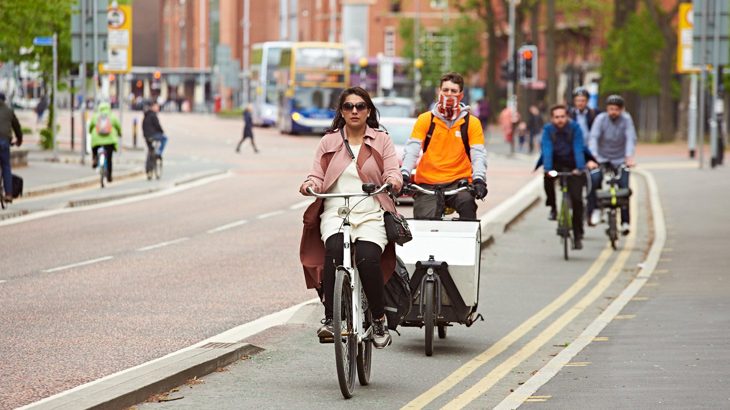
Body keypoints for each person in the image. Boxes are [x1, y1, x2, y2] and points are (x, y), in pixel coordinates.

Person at [299, 87, 403, 349]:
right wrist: (309, 184)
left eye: (359, 106)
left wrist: (392, 181)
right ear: (341, 112)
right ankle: (331, 319)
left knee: (368, 259)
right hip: (336, 210)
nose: (354, 111)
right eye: (348, 107)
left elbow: (393, 172)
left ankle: (378, 319)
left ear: (368, 111)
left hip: (370, 210)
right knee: (333, 251)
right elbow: (316, 175)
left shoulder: (381, 140)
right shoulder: (328, 141)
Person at [400, 72, 488, 220]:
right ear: (438, 91)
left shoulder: (471, 123)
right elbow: (412, 150)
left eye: (453, 91)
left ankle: (467, 242)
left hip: (459, 183)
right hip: (427, 183)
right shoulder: (425, 120)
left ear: (460, 95)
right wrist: (404, 174)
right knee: (423, 223)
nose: (449, 94)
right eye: (445, 90)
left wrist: (479, 179)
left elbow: (478, 154)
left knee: (467, 206)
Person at [541, 104, 593, 250]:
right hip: (556, 163)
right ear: (552, 118)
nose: (560, 120)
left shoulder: (575, 128)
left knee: (577, 200)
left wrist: (580, 168)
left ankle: (577, 235)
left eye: (562, 116)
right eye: (557, 117)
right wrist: (548, 168)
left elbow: (578, 147)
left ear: (567, 117)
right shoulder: (548, 130)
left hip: (573, 165)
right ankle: (552, 207)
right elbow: (547, 149)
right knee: (547, 180)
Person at [587, 95, 637, 234]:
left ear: (621, 110)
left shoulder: (626, 120)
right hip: (602, 158)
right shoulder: (600, 119)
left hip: (621, 158)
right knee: (594, 179)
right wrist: (593, 158)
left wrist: (629, 158)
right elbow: (594, 138)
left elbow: (630, 139)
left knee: (624, 186)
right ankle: (595, 210)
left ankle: (625, 222)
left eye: (616, 109)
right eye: (610, 109)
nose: (613, 112)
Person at [89, 101, 122, 182]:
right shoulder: (112, 116)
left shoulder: (96, 116)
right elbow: (118, 126)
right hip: (109, 141)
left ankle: (95, 159)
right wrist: (120, 133)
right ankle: (109, 177)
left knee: (94, 148)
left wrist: (90, 132)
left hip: (97, 141)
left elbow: (90, 126)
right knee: (109, 159)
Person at [0, 92, 23, 202]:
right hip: (4, 142)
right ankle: (8, 194)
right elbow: (17, 127)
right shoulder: (9, 111)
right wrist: (19, 140)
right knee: (6, 166)